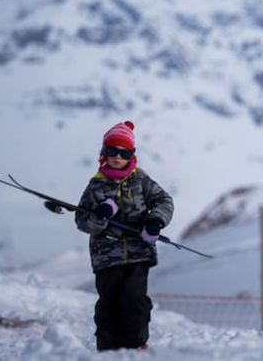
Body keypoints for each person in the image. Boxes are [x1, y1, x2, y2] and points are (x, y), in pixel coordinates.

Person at [74, 120, 174, 351]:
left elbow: (164, 200)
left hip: (138, 254)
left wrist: (155, 221)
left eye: (124, 152)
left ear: (132, 154)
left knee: (134, 300)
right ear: (103, 154)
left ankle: (137, 345)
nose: (118, 156)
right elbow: (82, 220)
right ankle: (108, 350)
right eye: (112, 151)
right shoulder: (95, 187)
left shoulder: (141, 180)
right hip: (106, 258)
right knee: (108, 304)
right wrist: (100, 216)